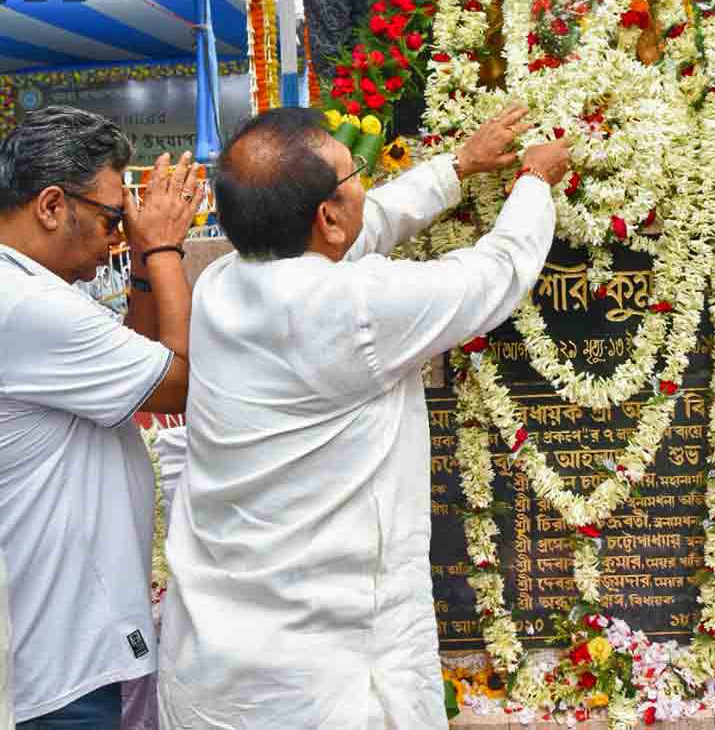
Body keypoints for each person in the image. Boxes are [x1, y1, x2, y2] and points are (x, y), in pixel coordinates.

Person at [157, 106, 570, 730]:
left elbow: (355, 229)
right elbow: (494, 274)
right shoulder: (354, 307)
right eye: (358, 175)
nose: (365, 188)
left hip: (216, 667)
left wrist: (457, 167)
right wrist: (535, 183)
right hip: (322, 681)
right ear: (325, 214)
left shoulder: (220, 283)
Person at [0, 106, 203, 729]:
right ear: (53, 205)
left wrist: (142, 268)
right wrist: (165, 248)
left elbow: (138, 375)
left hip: (68, 643)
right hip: (61, 661)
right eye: (112, 219)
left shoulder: (29, 292)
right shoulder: (27, 305)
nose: (119, 237)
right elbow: (181, 385)